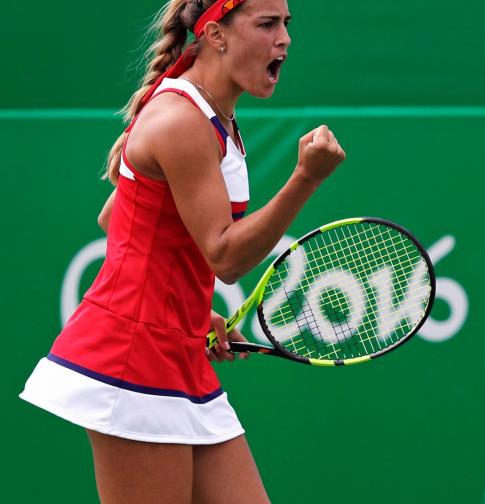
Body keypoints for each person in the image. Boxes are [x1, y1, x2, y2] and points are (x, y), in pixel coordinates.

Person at [19, 0, 345, 502]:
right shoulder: (182, 120)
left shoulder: (212, 115)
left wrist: (188, 311)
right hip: (131, 359)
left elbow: (117, 217)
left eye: (286, 24)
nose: (284, 39)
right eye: (267, 24)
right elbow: (225, 257)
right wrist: (306, 179)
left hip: (175, 352)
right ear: (216, 34)